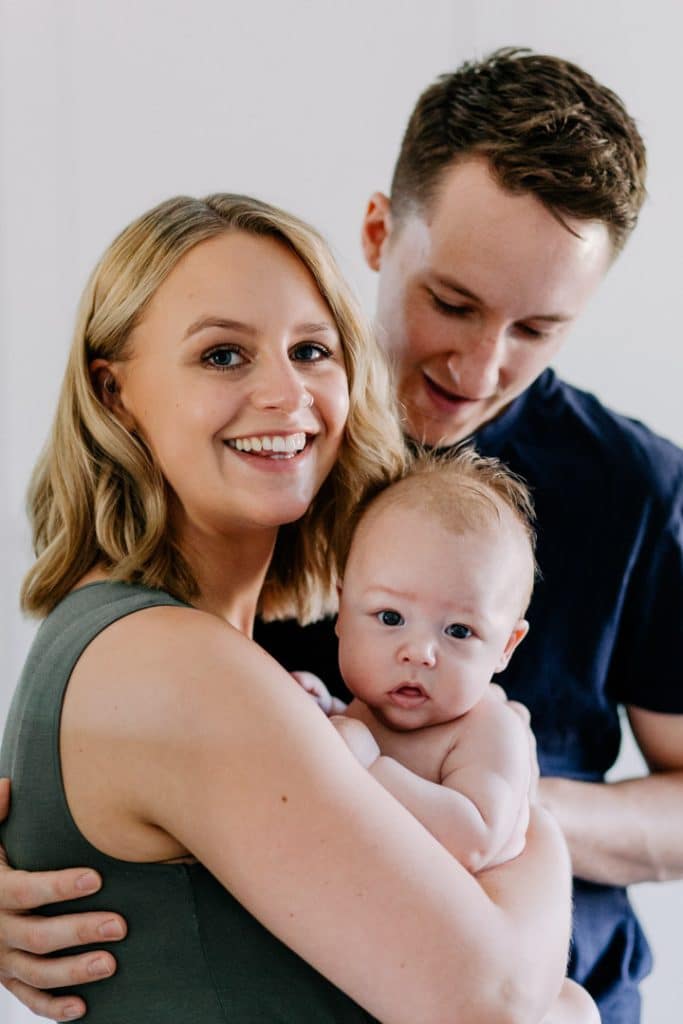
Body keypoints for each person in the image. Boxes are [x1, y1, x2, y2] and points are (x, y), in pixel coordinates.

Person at [2, 47, 682, 1024]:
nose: (481, 363)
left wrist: (486, 805)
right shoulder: (281, 484)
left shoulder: (631, 487)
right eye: (451, 302)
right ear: (376, 232)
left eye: (536, 327)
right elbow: (125, 745)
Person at [328, 449, 537, 873]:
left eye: (459, 631)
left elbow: (475, 840)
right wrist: (322, 713)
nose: (419, 652)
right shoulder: (368, 706)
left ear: (506, 647)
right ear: (341, 612)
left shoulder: (489, 731)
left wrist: (369, 769)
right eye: (391, 618)